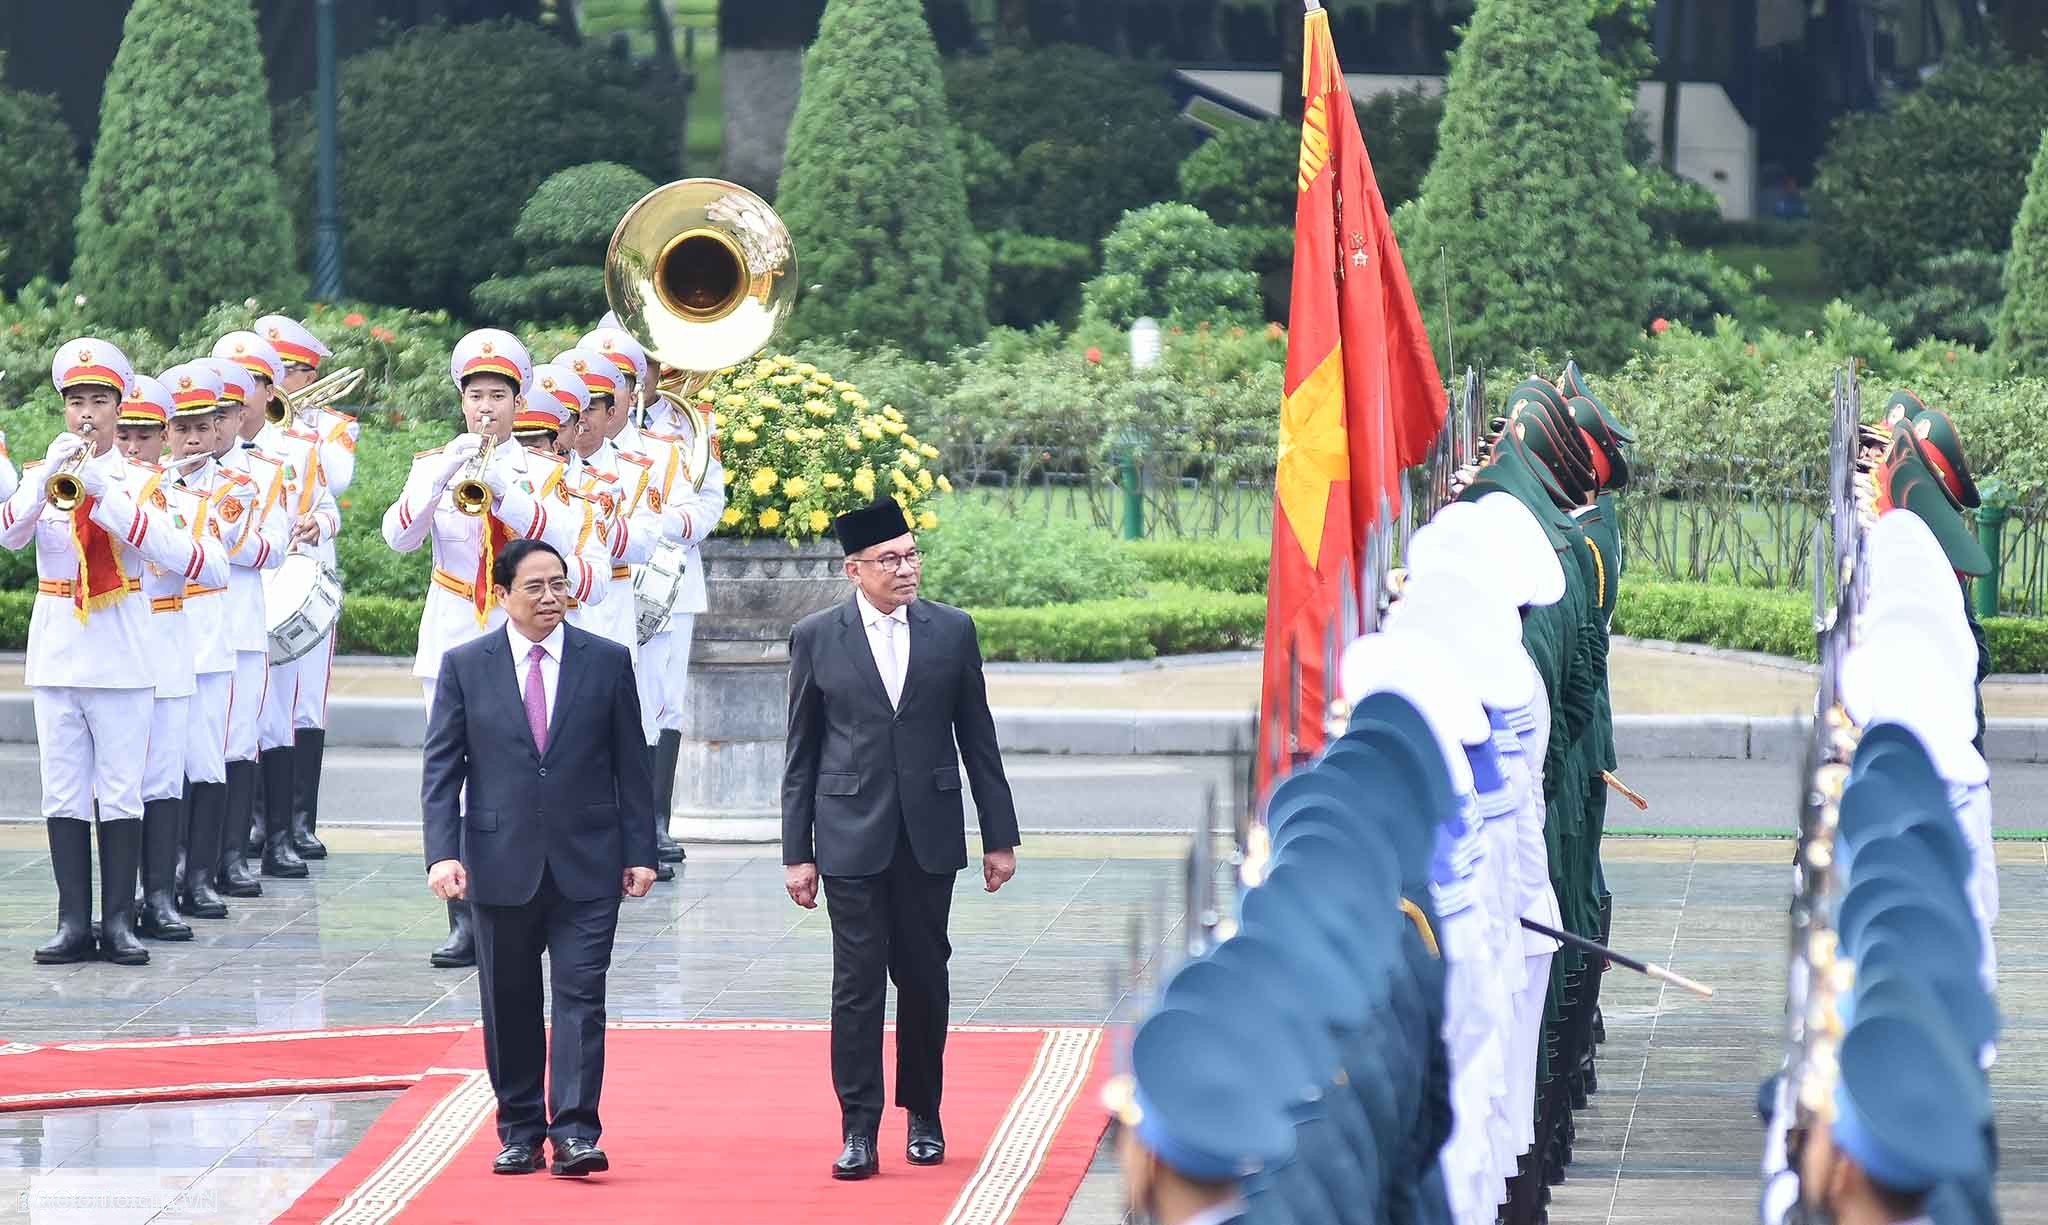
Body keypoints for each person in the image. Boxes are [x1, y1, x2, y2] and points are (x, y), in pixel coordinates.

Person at [780, 496, 1022, 1180]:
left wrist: (999, 836)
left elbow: (980, 739)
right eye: (890, 559)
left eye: (912, 554)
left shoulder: (952, 631)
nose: (906, 568)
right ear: (854, 569)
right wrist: (797, 852)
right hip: (849, 835)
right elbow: (801, 755)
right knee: (856, 985)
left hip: (929, 834)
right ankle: (858, 1127)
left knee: (924, 977)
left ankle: (924, 1111)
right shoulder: (817, 637)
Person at [419, 538, 657, 1178]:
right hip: (499, 863)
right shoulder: (467, 665)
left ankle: (576, 1131)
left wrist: (642, 849)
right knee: (510, 1002)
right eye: (535, 587)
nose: (551, 597)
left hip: (589, 862)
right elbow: (442, 770)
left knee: (582, 996)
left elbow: (633, 767)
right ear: (503, 596)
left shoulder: (606, 662)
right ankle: (520, 1128)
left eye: (559, 584)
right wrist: (442, 853)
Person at [384, 329, 609, 968]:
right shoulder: (434, 460)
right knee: (452, 779)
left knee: (515, 773)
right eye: (476, 395)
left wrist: (503, 490)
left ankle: (519, 898)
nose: (486, 407)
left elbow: (564, 538)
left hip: (521, 639)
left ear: (518, 402)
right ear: (462, 400)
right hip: (455, 632)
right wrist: (441, 477)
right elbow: (399, 537)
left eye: (499, 396)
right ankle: (462, 916)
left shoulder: (541, 471)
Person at [2, 340, 222, 965]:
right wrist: (45, 479)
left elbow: (183, 556)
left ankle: (120, 920)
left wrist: (105, 493)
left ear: (120, 407)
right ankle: (74, 921)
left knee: (121, 791)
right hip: (57, 648)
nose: (87, 414)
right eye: (77, 402)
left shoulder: (148, 482)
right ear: (64, 409)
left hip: (123, 650)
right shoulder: (44, 470)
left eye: (99, 401)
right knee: (63, 791)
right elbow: (9, 534)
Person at [216, 330, 340, 877]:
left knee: (282, 716)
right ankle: (233, 835)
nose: (239, 396)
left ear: (270, 391)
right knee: (230, 722)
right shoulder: (199, 448)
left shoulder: (297, 450)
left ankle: (282, 834)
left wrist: (319, 521)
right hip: (230, 595)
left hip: (283, 586)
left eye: (251, 384)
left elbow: (326, 504)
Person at [113, 374, 229, 941]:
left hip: (166, 640)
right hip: (112, 648)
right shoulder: (94, 494)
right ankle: (119, 897)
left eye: (142, 437)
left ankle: (159, 895)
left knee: (161, 778)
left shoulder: (186, 501)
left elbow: (215, 567)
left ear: (163, 436)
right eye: (123, 437)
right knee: (115, 781)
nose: (132, 449)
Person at [257, 314, 357, 859]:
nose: (277, 381)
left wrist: (302, 423)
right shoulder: (245, 429)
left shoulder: (331, 426)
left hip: (308, 576)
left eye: (287, 371)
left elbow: (336, 482)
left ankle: (300, 820)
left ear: (308, 373)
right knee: (257, 700)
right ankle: (259, 822)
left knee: (306, 704)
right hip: (262, 572)